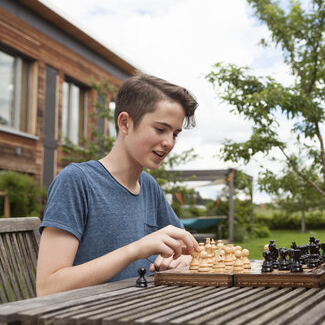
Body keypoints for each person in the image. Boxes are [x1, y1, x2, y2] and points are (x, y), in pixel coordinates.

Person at [36, 74, 201, 296]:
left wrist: (184, 259)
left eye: (175, 134)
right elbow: (47, 287)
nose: (169, 143)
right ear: (125, 123)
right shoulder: (77, 181)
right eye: (161, 129)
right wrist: (136, 249)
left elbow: (188, 250)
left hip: (143, 311)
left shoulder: (149, 187)